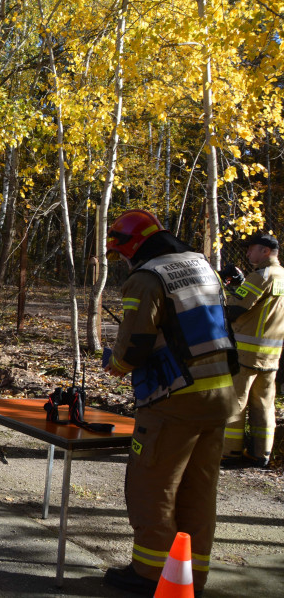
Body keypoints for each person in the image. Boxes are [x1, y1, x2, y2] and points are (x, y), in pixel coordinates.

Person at [101, 209, 236, 596]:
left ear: (133, 245)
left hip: (174, 399)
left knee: (153, 485)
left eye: (122, 253)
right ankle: (190, 576)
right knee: (199, 489)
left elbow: (135, 345)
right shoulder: (201, 265)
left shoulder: (146, 279)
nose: (124, 261)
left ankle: (148, 575)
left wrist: (116, 362)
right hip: (220, 395)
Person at [220, 232, 284, 468]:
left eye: (251, 249)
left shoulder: (261, 276)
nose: (247, 253)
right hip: (271, 354)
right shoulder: (281, 276)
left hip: (247, 353)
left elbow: (236, 310)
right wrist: (240, 284)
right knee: (264, 404)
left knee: (235, 402)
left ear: (265, 251)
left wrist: (224, 290)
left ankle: (230, 452)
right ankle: (261, 454)